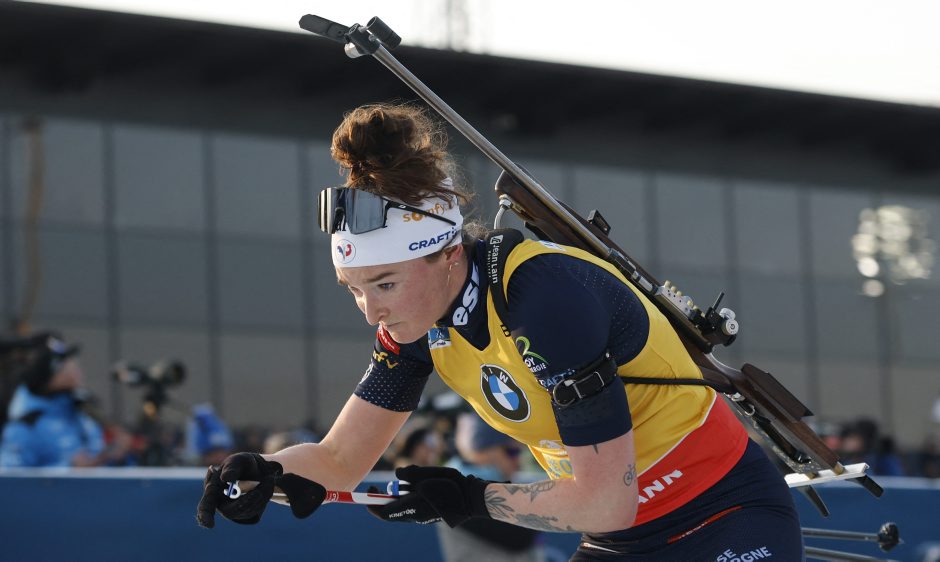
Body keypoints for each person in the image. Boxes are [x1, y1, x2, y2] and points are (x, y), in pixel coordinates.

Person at [196, 103, 805, 560]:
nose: (370, 311)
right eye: (353, 289)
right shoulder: (418, 327)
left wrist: (470, 499)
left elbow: (605, 500)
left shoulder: (542, 300)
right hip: (621, 540)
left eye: (384, 283)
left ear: (447, 255)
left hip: (721, 515)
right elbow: (338, 461)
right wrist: (264, 473)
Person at [0, 332, 131, 468]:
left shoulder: (82, 413)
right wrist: (68, 468)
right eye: (65, 363)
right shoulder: (27, 426)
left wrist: (117, 454)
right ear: (51, 376)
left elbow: (99, 461)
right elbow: (10, 475)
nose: (74, 366)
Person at [437, 412, 545, 562]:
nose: (518, 461)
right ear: (483, 453)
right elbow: (519, 537)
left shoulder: (482, 486)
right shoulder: (455, 491)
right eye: (512, 452)